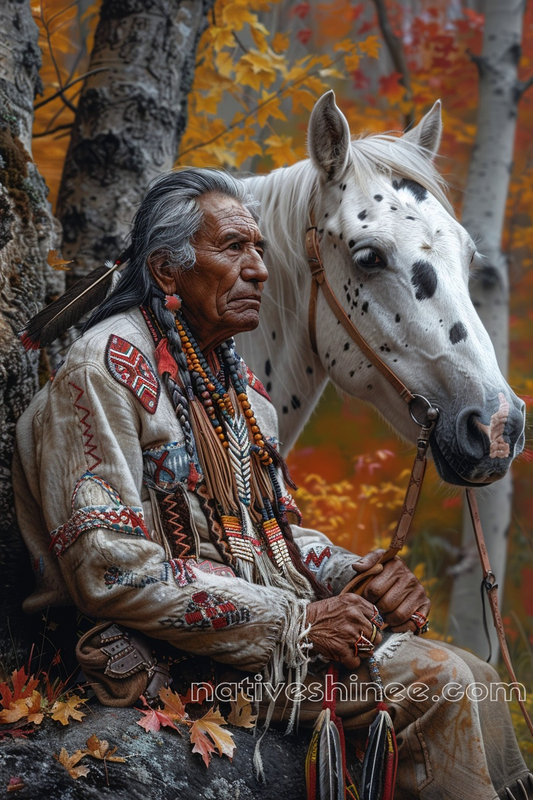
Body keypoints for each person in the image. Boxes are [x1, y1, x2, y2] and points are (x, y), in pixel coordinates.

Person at [14, 168, 532, 799]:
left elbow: (275, 535)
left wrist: (355, 575)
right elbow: (110, 570)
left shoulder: (240, 391)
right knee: (444, 683)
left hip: (251, 641)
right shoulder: (101, 370)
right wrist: (299, 621)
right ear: (165, 270)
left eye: (259, 248)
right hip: (160, 658)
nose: (259, 269)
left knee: (477, 678)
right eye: (233, 248)